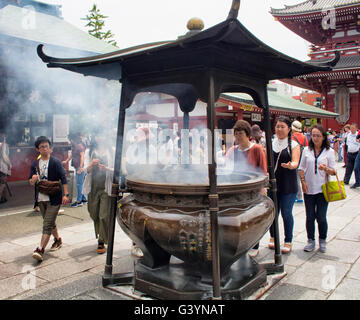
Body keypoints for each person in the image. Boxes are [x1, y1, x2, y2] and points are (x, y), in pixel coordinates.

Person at [226, 120, 267, 257]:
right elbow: (226, 168)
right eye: (236, 134)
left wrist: (262, 189)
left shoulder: (256, 149)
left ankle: (255, 245)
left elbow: (262, 170)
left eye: (241, 134)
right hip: (237, 190)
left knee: (253, 219)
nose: (238, 137)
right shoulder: (232, 150)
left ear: (247, 134)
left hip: (253, 190)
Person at [29, 136, 70, 262]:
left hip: (54, 198)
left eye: (47, 146)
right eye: (42, 147)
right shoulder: (35, 164)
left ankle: (40, 249)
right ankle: (58, 240)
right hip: (41, 198)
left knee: (47, 224)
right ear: (38, 149)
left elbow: (63, 178)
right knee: (50, 222)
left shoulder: (55, 162)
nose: (45, 149)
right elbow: (30, 182)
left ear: (50, 148)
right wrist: (33, 180)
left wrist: (66, 195)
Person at [298, 124, 336, 253]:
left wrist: (325, 168)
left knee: (321, 217)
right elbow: (301, 168)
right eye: (313, 135)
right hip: (308, 188)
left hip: (322, 189)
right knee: (310, 216)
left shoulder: (329, 152)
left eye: (318, 136)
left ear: (323, 137)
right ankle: (310, 240)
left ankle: (322, 240)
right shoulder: (306, 150)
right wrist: (302, 182)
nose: (315, 138)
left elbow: (334, 172)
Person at [268, 116, 301, 254]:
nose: (279, 129)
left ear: (289, 129)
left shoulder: (293, 145)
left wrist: (290, 165)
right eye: (277, 126)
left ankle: (288, 240)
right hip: (273, 183)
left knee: (286, 213)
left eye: (282, 127)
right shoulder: (270, 143)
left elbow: (295, 162)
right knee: (273, 213)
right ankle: (273, 237)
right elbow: (266, 162)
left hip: (288, 183)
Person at [83, 132, 114, 254]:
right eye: (98, 135)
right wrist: (91, 164)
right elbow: (85, 169)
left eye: (102, 135)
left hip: (106, 187)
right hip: (93, 187)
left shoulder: (111, 150)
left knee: (103, 214)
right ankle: (101, 234)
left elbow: (117, 169)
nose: (100, 137)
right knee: (93, 213)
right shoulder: (89, 151)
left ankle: (101, 241)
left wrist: (106, 168)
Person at [62, 132, 87, 207]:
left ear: (73, 139)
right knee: (80, 183)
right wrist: (66, 161)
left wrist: (81, 167)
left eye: (70, 139)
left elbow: (82, 157)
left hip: (79, 167)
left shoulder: (80, 146)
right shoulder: (74, 146)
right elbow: (72, 155)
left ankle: (79, 201)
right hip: (77, 167)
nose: (70, 141)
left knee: (79, 184)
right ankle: (84, 198)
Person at [291, 120, 309, 204]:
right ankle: (305, 192)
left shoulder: (292, 137)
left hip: (295, 158)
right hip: (304, 159)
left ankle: (298, 196)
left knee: (295, 178)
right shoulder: (305, 137)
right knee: (302, 177)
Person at [343, 123, 360, 188]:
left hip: (356, 153)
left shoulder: (358, 135)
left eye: (353, 128)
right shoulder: (348, 135)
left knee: (356, 168)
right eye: (351, 128)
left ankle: (357, 181)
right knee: (348, 167)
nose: (352, 129)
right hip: (350, 153)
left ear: (356, 129)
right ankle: (346, 180)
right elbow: (347, 144)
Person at [0, 132, 11, 204]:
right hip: (1, 167)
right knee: (2, 184)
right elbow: (4, 156)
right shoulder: (4, 145)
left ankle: (3, 198)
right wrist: (9, 164)